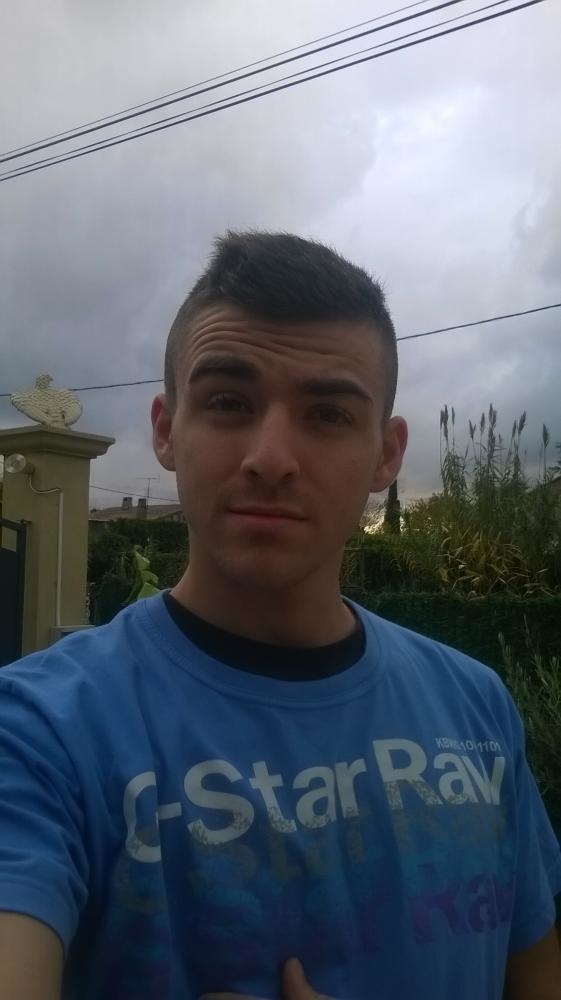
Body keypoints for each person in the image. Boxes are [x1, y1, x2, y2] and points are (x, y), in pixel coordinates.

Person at [0, 231, 560, 1000]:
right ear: (165, 429)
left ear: (386, 454)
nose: (269, 457)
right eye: (228, 402)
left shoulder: (475, 706)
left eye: (327, 414)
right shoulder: (39, 735)